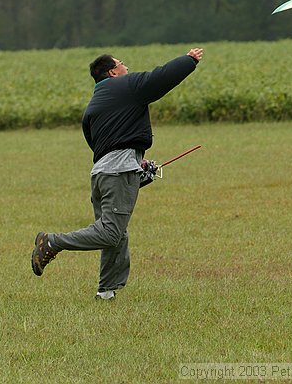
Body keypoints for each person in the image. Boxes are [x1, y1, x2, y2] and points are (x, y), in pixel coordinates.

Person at [31, 47, 203, 300]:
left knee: (116, 234)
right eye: (123, 64)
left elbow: (102, 143)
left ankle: (106, 292)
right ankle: (52, 242)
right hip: (117, 172)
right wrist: (188, 60)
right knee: (110, 232)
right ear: (113, 72)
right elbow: (160, 78)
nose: (127, 68)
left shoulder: (96, 103)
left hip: (101, 173)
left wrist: (138, 164)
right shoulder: (126, 86)